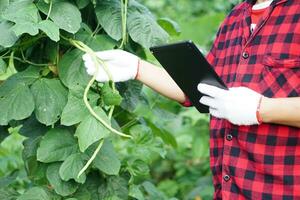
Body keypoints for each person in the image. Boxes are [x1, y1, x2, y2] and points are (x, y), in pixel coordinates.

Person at [82, 0, 300, 199]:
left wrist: (261, 108)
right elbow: (200, 88)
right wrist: (137, 68)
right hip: (231, 191)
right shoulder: (236, 17)